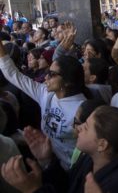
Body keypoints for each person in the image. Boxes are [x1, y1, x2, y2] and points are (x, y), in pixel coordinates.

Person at [1, 106, 118, 193]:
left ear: (102, 144)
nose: (78, 128)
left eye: (86, 127)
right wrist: (47, 160)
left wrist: (33, 190)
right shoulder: (89, 157)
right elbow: (66, 186)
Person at [0, 38, 87, 169]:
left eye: (52, 74)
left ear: (68, 81)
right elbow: (13, 74)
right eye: (47, 72)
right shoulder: (46, 94)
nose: (46, 77)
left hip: (72, 171)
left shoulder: (82, 109)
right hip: (48, 164)